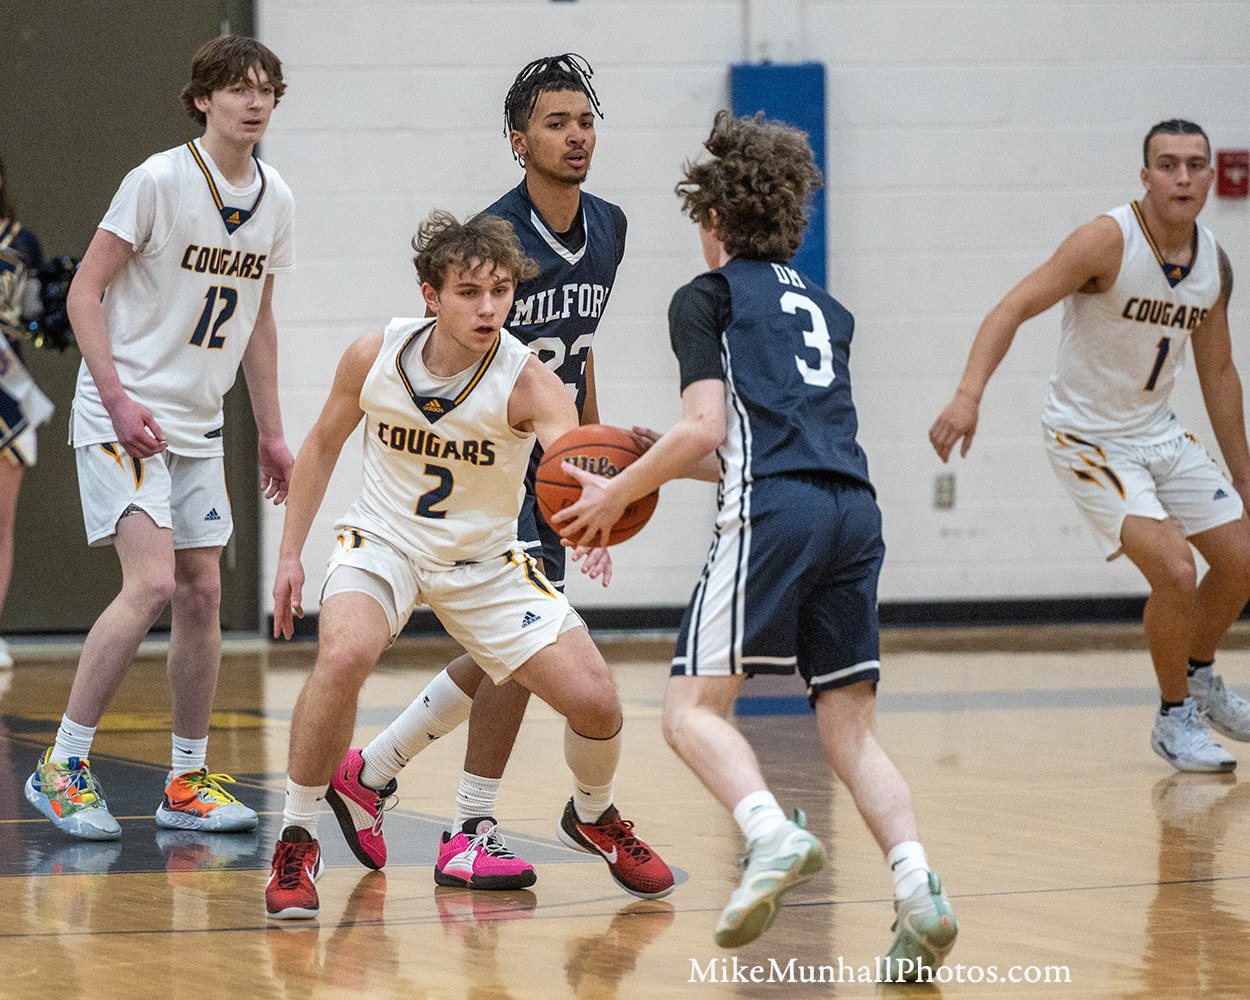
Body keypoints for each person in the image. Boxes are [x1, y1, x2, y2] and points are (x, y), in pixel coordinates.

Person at [552, 110, 957, 975]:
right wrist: (656, 461)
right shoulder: (828, 309)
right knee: (850, 729)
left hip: (776, 511)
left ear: (710, 215)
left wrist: (620, 488)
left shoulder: (707, 297)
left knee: (690, 712)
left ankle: (770, 835)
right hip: (854, 512)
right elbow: (749, 442)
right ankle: (918, 891)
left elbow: (704, 429)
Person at [265, 209, 672, 920]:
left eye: (501, 292)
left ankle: (592, 813)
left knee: (597, 702)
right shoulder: (374, 355)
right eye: (470, 292)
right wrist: (290, 552)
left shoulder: (527, 381)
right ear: (432, 296)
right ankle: (297, 838)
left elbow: (574, 458)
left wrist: (597, 517)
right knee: (345, 653)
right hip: (383, 542)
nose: (489, 308)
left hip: (485, 560)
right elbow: (324, 443)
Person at [321, 54, 627, 891]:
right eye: (556, 123)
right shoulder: (494, 240)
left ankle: (373, 771)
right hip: (485, 470)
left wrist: (589, 464)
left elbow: (579, 359)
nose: (575, 136)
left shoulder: (609, 225)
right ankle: (469, 824)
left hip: (547, 460)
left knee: (515, 650)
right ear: (519, 140)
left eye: (585, 121)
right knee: (519, 650)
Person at [24, 35, 294, 841]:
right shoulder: (158, 180)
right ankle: (62, 765)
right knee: (150, 585)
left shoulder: (276, 197)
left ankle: (185, 781)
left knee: (203, 593)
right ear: (203, 98)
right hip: (125, 415)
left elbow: (258, 321)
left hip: (198, 424)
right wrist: (115, 396)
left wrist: (273, 433)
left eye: (266, 89)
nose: (254, 101)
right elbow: (84, 293)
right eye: (238, 87)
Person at [930, 119, 1250, 774]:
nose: (1183, 177)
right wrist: (967, 395)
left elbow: (1218, 372)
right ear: (1145, 176)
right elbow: (1011, 307)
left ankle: (1197, 674)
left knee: (1242, 559)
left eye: (1196, 164)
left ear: (1210, 176)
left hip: (1157, 431)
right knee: (1175, 570)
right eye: (1168, 164)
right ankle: (1174, 718)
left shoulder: (1212, 263)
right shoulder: (1107, 240)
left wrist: (1243, 476)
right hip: (1088, 438)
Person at [0, 153, 54, 669]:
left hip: (6, 395)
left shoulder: (22, 243)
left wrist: (55, 314)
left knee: (1, 523)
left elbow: (36, 318)